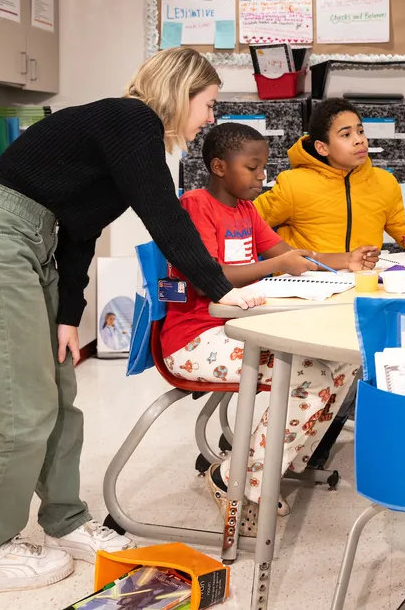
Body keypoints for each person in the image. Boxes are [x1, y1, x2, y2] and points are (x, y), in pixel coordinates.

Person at [0, 47, 266, 597]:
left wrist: (70, 314)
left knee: (60, 400)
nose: (210, 118)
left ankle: (65, 521)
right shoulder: (131, 120)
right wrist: (218, 290)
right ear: (180, 91)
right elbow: (164, 215)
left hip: (31, 248)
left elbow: (79, 230)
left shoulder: (126, 137)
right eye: (208, 104)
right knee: (25, 409)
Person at [159, 122, 378, 536]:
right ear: (220, 166)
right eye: (253, 167)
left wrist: (346, 259)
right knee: (311, 376)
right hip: (194, 339)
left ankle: (269, 467)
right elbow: (213, 275)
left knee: (343, 363)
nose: (263, 176)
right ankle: (235, 479)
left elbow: (290, 255)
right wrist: (278, 265)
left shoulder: (245, 210)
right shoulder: (195, 205)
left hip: (235, 328)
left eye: (264, 167)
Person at [254, 98, 405, 253]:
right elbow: (246, 223)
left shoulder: (385, 182)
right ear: (322, 148)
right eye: (346, 135)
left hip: (363, 276)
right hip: (309, 276)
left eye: (360, 131)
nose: (359, 140)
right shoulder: (293, 185)